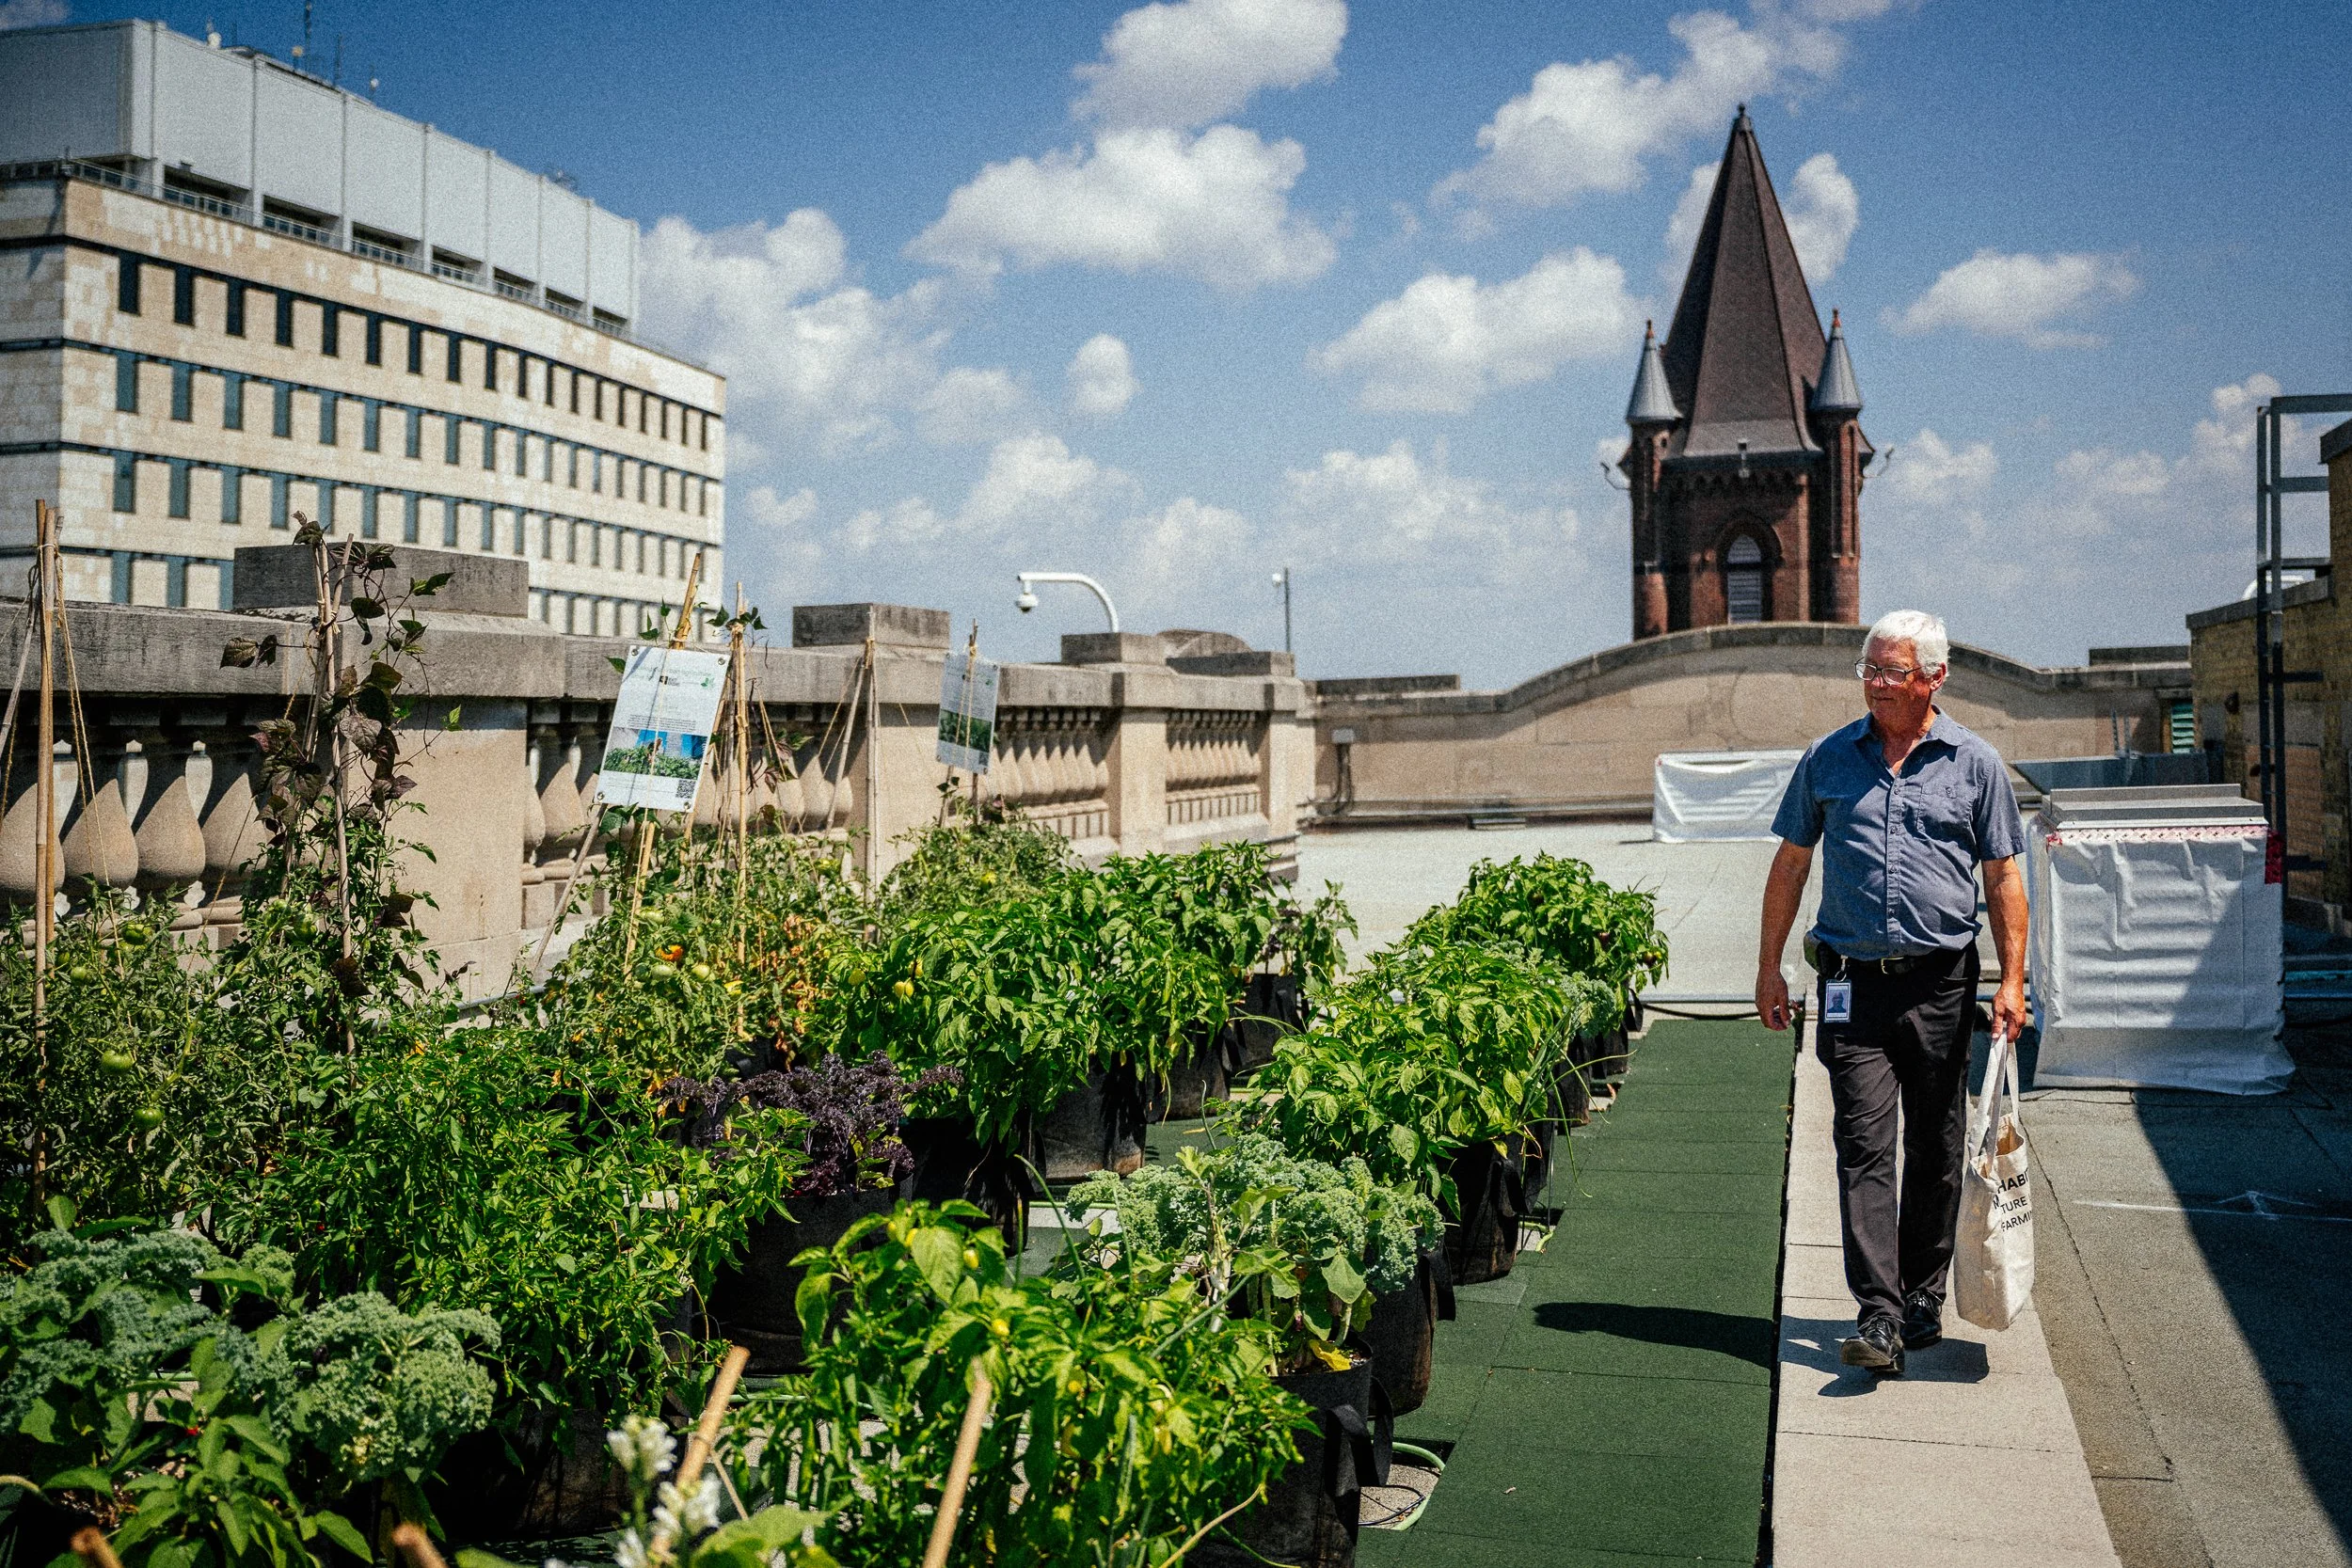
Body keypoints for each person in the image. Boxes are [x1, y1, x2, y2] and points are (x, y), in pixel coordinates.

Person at [1755, 609, 2029, 1376]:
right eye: (1869, 669)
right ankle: (1877, 1311)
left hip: (1942, 983)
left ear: (1933, 678)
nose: (1876, 684)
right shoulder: (1829, 759)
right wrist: (1769, 964)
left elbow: (2003, 876)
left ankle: (1921, 1294)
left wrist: (2012, 978)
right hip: (1851, 986)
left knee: (1937, 1144)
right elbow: (1790, 865)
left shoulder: (1975, 764)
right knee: (1863, 1143)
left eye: (1892, 672)